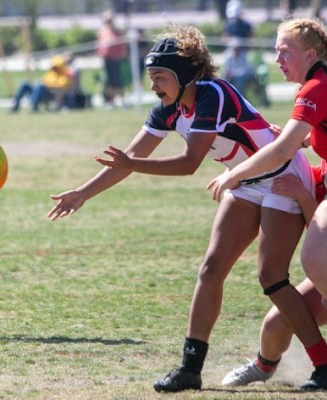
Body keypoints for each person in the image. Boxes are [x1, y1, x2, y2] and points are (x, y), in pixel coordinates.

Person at [47, 23, 327, 392]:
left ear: (182, 76)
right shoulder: (168, 108)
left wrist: (131, 164)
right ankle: (190, 369)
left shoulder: (212, 94)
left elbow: (189, 162)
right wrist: (82, 193)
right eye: (151, 77)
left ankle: (322, 364)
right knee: (210, 269)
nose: (153, 85)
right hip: (242, 179)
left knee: (271, 276)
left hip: (281, 176)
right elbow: (130, 158)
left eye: (159, 77)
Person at [208, 16, 327, 390]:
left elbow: (281, 150)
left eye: (284, 51)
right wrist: (298, 138)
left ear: (310, 54)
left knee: (314, 258)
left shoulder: (317, 86)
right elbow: (304, 139)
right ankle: (264, 365)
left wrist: (235, 174)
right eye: (275, 50)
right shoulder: (315, 86)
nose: (277, 58)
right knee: (276, 323)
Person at [222, 167, 327, 387]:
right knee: (276, 323)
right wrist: (237, 173)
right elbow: (318, 235)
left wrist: (302, 195)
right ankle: (263, 366)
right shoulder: (317, 174)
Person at [97, 10, 128, 109]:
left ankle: (123, 101)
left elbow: (123, 44)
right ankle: (111, 102)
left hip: (117, 59)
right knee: (108, 82)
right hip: (107, 59)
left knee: (118, 81)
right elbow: (100, 46)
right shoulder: (102, 31)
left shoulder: (118, 31)